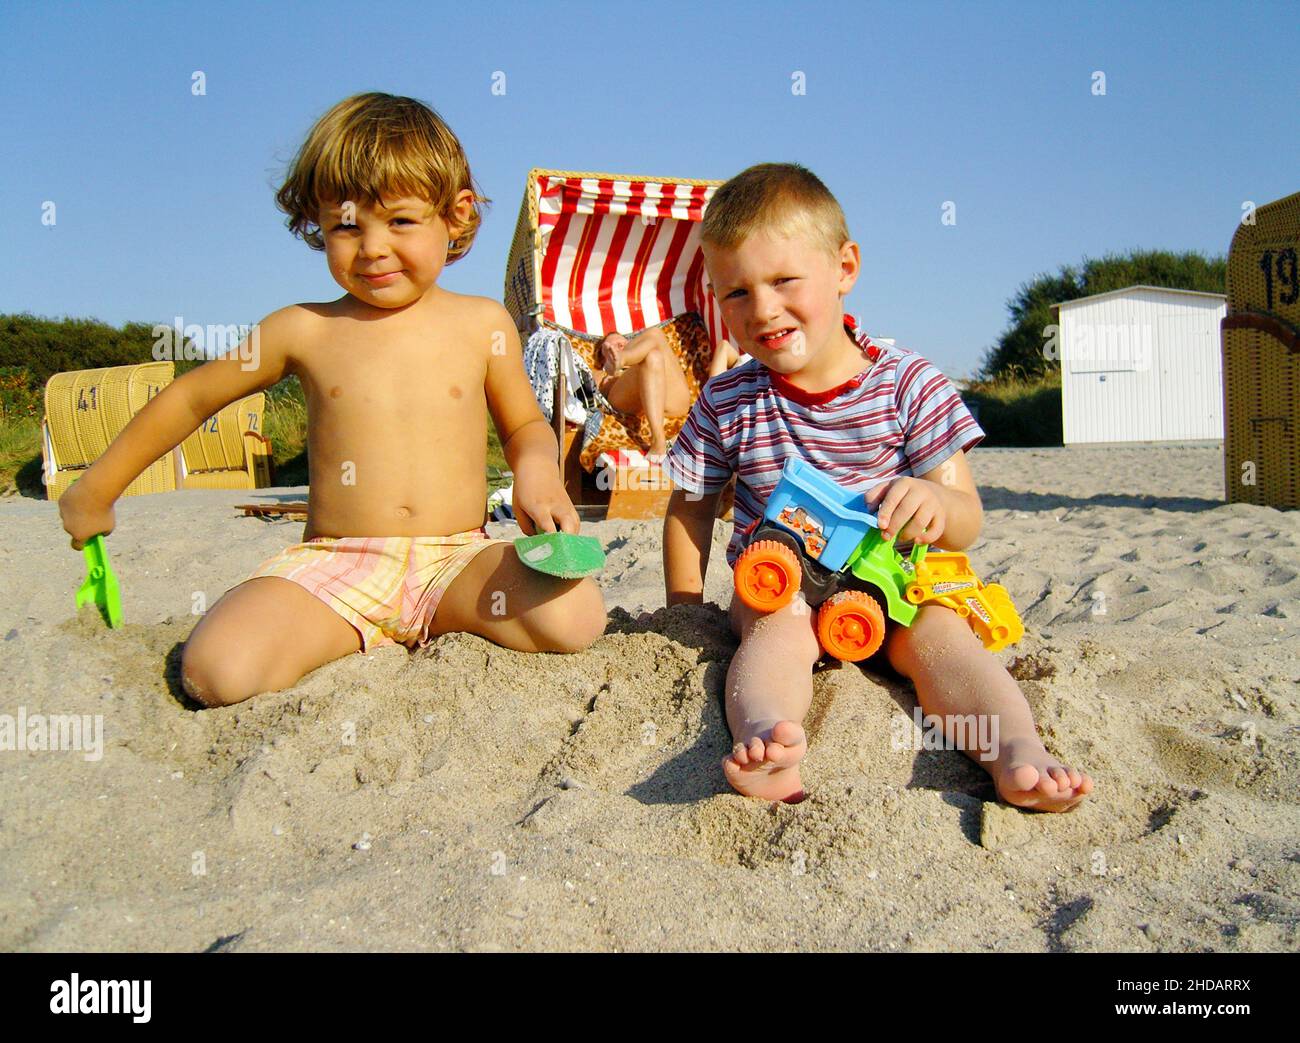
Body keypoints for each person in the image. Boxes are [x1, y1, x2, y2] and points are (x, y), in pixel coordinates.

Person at [58, 92, 606, 707]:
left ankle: (436, 619)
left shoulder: (483, 323)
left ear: (454, 216)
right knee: (218, 672)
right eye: (346, 225)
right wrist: (97, 488)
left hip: (458, 558)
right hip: (338, 566)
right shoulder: (301, 329)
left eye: (399, 221)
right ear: (316, 224)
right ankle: (350, 628)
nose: (371, 247)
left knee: (575, 618)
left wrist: (536, 470)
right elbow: (191, 399)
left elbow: (524, 424)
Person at [662, 163, 1092, 811]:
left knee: (945, 643)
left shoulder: (908, 383)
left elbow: (967, 517)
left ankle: (1015, 750)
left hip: (899, 578)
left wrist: (936, 503)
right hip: (787, 582)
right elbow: (689, 507)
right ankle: (767, 741)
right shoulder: (729, 399)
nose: (764, 308)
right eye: (736, 293)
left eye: (784, 281)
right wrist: (687, 606)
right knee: (774, 632)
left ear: (845, 266)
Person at [596, 324, 741, 461]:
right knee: (653, 345)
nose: (618, 345)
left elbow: (725, 348)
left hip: (672, 401)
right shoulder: (601, 374)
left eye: (621, 343)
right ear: (602, 360)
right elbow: (588, 389)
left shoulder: (650, 352)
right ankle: (658, 439)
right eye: (611, 347)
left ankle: (623, 359)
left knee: (654, 345)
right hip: (625, 401)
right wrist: (606, 378)